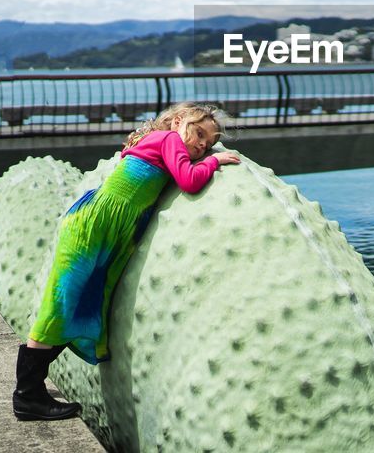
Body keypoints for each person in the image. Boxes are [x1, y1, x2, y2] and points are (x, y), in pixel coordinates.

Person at [13, 102, 240, 421]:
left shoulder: (162, 143)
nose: (202, 145)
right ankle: (26, 397)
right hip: (92, 228)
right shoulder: (170, 140)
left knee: (78, 308)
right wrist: (213, 162)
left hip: (105, 232)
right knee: (60, 305)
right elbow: (188, 180)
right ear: (178, 121)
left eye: (208, 143)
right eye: (199, 133)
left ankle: (32, 389)